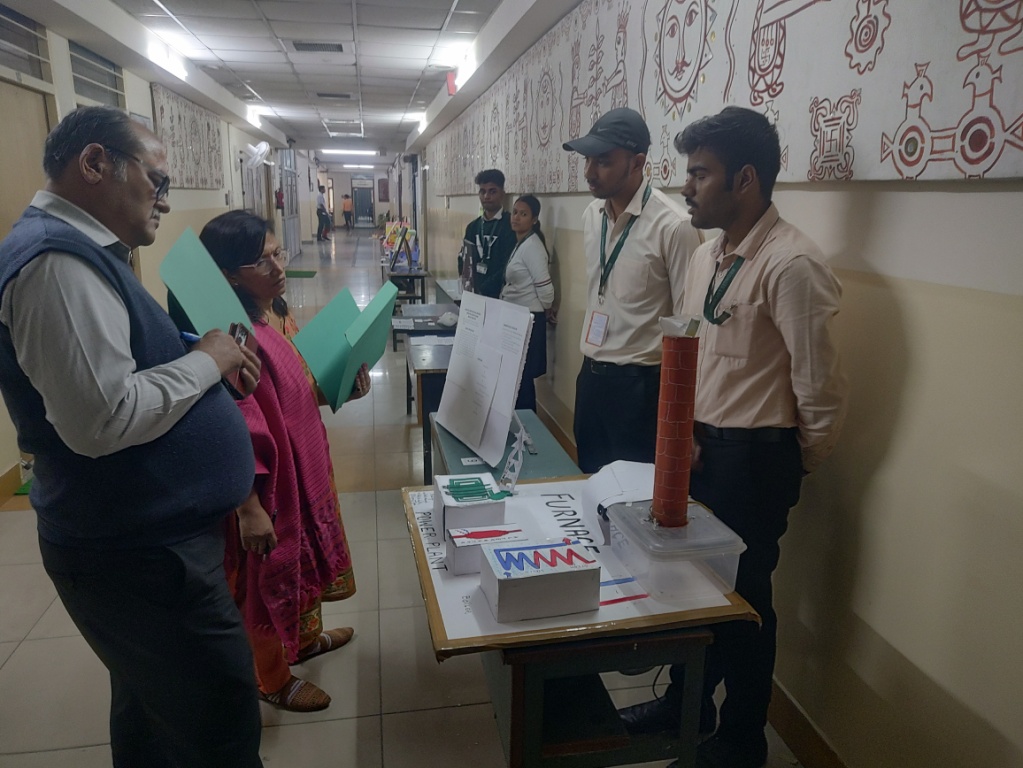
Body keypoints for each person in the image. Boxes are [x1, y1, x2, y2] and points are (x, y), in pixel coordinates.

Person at [0, 106, 264, 767]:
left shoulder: (87, 256)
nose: (165, 200)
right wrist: (208, 362)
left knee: (157, 721)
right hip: (141, 555)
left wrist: (196, 353)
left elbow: (117, 364)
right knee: (218, 729)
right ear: (95, 164)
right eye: (157, 180)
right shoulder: (56, 265)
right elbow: (103, 419)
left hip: (145, 543)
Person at [617, 107, 848, 768]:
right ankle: (684, 707)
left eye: (700, 174)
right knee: (692, 588)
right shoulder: (704, 256)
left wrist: (787, 462)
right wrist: (686, 432)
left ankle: (742, 740)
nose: (686, 187)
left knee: (745, 603)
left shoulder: (791, 264)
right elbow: (694, 356)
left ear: (744, 179)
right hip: (700, 452)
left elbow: (819, 390)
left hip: (755, 459)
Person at [186, 211, 370, 712]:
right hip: (267, 490)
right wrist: (249, 508)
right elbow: (233, 428)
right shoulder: (234, 340)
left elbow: (294, 395)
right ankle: (270, 678)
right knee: (266, 581)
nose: (278, 267)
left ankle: (304, 641)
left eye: (277, 253)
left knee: (300, 563)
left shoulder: (273, 321)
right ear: (228, 274)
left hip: (301, 468)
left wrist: (342, 389)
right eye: (262, 261)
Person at [563, 107, 702, 473]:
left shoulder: (674, 226)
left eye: (603, 162)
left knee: (635, 496)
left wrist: (686, 415)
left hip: (641, 390)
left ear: (638, 162)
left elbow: (690, 326)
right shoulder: (592, 216)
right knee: (590, 481)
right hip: (591, 379)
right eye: (587, 160)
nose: (589, 172)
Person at [499, 194, 556, 411]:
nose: (516, 217)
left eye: (523, 214)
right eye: (515, 212)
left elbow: (546, 288)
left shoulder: (533, 246)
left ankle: (527, 422)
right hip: (517, 317)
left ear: (534, 219)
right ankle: (517, 419)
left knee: (522, 380)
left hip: (529, 320)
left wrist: (547, 309)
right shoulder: (521, 243)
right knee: (516, 377)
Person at [459, 168, 516, 298]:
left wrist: (485, 288)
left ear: (502, 194)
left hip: (500, 295)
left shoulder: (510, 225)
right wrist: (467, 283)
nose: (486, 196)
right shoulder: (473, 227)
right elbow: (463, 257)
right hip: (474, 293)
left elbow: (508, 265)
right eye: (482, 191)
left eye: (492, 191)